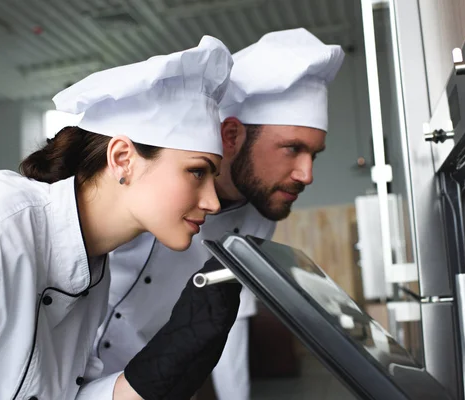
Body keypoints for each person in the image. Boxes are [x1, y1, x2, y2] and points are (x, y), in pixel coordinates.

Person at [0, 36, 238, 400]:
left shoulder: (95, 272)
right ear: (123, 158)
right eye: (196, 172)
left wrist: (162, 367)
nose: (212, 202)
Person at [96, 27, 345, 400]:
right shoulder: (148, 183)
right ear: (231, 136)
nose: (307, 174)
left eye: (314, 154)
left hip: (139, 384)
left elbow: (226, 321)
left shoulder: (261, 215)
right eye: (292, 148)